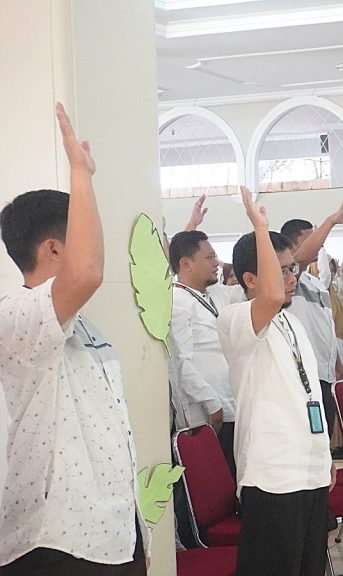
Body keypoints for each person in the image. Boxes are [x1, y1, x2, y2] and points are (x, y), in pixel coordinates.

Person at [0, 103, 150, 575]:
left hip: (112, 531)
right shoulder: (15, 316)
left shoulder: (83, 325)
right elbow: (86, 272)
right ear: (53, 248)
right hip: (54, 543)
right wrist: (80, 174)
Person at [217, 188, 335, 576]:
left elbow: (308, 394)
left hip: (309, 473)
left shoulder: (292, 321)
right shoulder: (235, 320)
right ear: (249, 278)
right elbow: (267, 295)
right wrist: (260, 227)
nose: (291, 278)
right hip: (271, 479)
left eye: (292, 268)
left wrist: (323, 457)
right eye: (282, 270)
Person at [279, 196, 343, 449]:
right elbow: (303, 257)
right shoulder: (292, 279)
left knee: (321, 446)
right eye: (311, 237)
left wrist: (336, 364)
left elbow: (325, 328)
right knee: (307, 444)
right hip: (302, 378)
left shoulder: (315, 284)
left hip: (325, 377)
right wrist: (331, 221)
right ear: (291, 246)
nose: (320, 244)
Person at [168, 230, 240, 475]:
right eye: (209, 257)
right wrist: (212, 404)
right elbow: (180, 362)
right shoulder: (178, 300)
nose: (217, 263)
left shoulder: (211, 295)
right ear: (185, 264)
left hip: (229, 406)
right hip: (208, 415)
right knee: (212, 485)